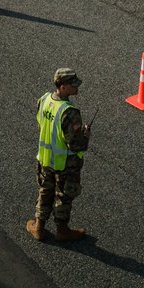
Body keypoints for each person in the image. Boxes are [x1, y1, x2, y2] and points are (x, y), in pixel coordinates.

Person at [27, 68, 90, 242]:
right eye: (72, 85)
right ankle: (62, 230)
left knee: (45, 191)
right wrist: (85, 136)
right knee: (63, 196)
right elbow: (77, 145)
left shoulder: (44, 100)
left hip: (45, 159)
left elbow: (41, 125)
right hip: (64, 164)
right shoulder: (69, 112)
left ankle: (38, 228)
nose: (76, 88)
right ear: (62, 87)